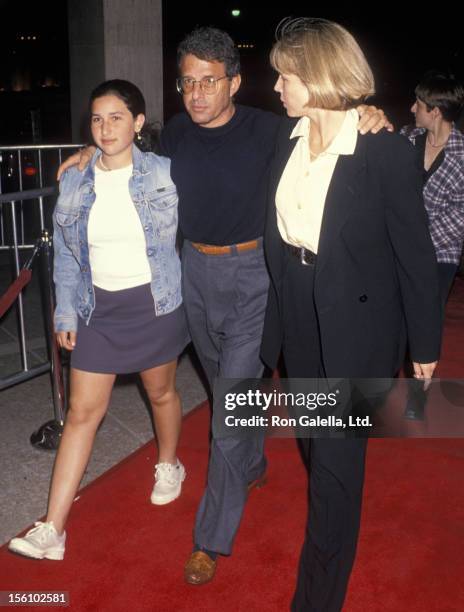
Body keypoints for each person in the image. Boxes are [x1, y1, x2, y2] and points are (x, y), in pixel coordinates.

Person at [56, 27, 391, 586]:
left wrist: (370, 114)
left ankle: (210, 537)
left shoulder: (275, 131)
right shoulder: (178, 139)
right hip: (195, 275)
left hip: (257, 275)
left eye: (209, 81)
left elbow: (334, 128)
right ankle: (252, 465)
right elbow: (128, 156)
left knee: (231, 407)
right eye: (187, 81)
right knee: (226, 390)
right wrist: (94, 148)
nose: (196, 93)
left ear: (234, 81)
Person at [260, 18, 442, 611]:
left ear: (317, 77)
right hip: (301, 316)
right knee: (318, 449)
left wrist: (425, 344)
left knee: (336, 474)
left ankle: (316, 601)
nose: (277, 85)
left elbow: (416, 254)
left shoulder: (383, 150)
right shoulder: (281, 140)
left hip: (357, 329)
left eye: (285, 74)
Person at [8, 80, 190, 561]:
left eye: (116, 117)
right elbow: (67, 258)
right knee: (82, 416)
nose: (105, 127)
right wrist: (64, 311)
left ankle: (170, 464)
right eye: (96, 119)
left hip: (154, 304)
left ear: (137, 122)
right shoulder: (75, 180)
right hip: (97, 309)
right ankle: (53, 527)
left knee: (161, 393)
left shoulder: (165, 172)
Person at [400, 71, 464, 418]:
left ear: (435, 111)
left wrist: (419, 239)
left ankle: (418, 395)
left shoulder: (462, 155)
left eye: (419, 105)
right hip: (400, 249)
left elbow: (461, 215)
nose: (412, 109)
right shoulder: (405, 139)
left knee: (425, 321)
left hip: (439, 253)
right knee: (394, 318)